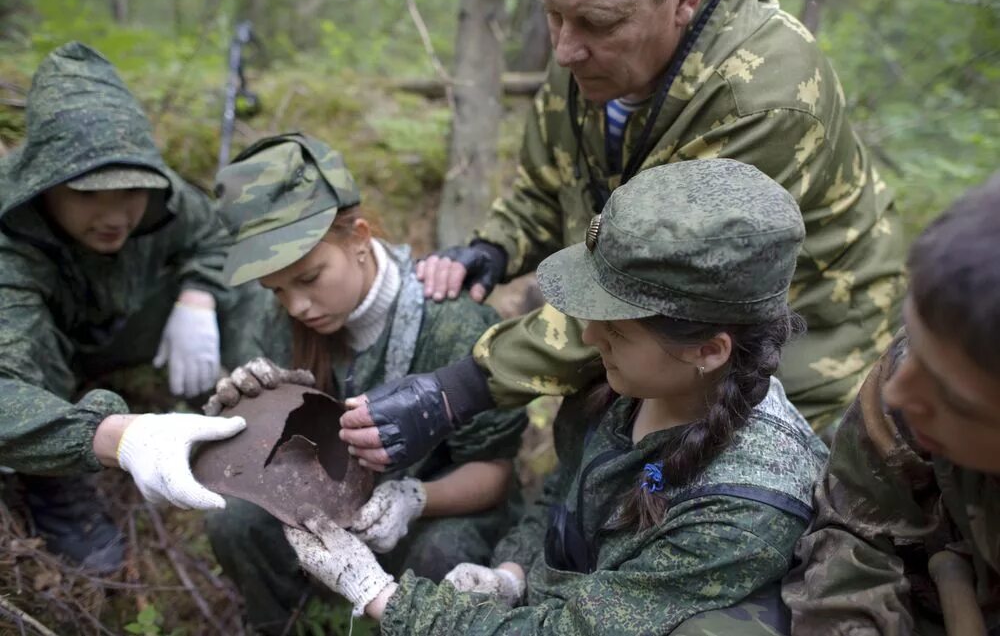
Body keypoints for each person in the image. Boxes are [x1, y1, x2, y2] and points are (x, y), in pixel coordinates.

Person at [352, 0, 907, 473]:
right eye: (553, 15)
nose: (566, 49)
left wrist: (461, 388)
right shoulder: (592, 48)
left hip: (803, 322)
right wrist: (496, 246)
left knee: (706, 489)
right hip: (654, 314)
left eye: (596, 23)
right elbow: (555, 182)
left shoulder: (763, 97)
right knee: (590, 444)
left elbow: (659, 287)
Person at [283, 158, 828, 635]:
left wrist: (382, 596)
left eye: (615, 331)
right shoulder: (635, 385)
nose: (588, 339)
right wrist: (516, 573)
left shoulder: (744, 512)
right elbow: (567, 496)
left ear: (708, 351)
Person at [202, 134, 528, 635]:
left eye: (309, 278)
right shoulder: (278, 319)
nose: (296, 306)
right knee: (233, 523)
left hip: (441, 505)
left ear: (358, 238)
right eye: (276, 290)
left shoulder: (452, 324)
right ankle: (288, 624)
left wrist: (415, 499)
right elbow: (259, 452)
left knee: (443, 557)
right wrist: (242, 409)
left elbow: (495, 472)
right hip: (321, 495)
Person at [0, 42, 262, 572]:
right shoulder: (10, 243)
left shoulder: (164, 201)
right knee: (28, 360)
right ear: (45, 187)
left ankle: (259, 420)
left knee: (254, 291)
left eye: (131, 191)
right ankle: (56, 484)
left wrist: (198, 297)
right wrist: (114, 436)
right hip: (48, 354)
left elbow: (214, 235)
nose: (115, 214)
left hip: (124, 324)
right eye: (89, 194)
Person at [782, 172, 1000, 634]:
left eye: (954, 398)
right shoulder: (938, 357)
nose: (898, 392)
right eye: (913, 340)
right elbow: (856, 535)